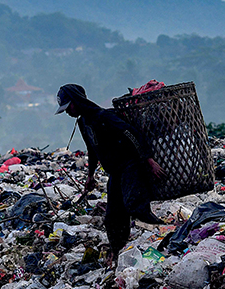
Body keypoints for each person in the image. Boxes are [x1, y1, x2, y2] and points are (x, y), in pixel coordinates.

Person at [55, 83, 164, 265]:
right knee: (112, 217)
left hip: (131, 165)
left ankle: (164, 232)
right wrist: (91, 176)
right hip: (115, 171)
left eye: (69, 106)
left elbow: (132, 134)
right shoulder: (83, 123)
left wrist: (149, 160)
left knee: (134, 205)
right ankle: (116, 251)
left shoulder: (104, 116)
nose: (67, 112)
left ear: (77, 101)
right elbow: (92, 149)